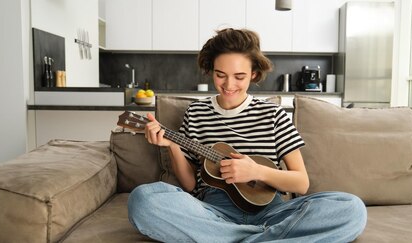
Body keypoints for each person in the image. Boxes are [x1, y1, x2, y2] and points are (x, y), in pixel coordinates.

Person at [127, 28, 367, 242]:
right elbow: (190, 185)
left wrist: (257, 171)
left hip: (271, 213)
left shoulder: (274, 115)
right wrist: (172, 145)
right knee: (143, 200)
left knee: (351, 208)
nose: (229, 84)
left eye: (239, 76)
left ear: (253, 73)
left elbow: (301, 183)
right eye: (220, 74)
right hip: (213, 212)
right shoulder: (197, 113)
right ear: (211, 70)